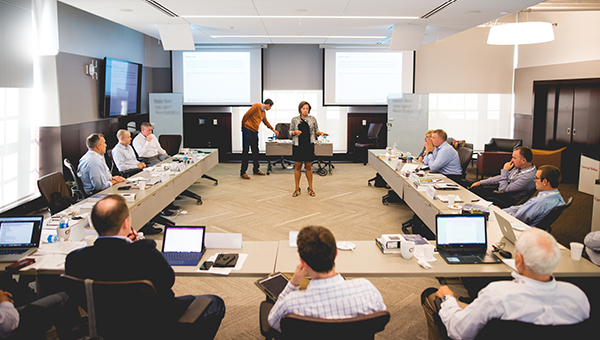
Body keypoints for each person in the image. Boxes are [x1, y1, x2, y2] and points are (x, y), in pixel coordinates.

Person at [65, 194, 225, 339]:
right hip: (156, 324)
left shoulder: (75, 260)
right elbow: (168, 280)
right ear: (126, 223)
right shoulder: (145, 253)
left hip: (107, 323)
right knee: (215, 302)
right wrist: (136, 244)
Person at [421, 228, 590, 340]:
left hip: (474, 322)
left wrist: (449, 300)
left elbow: (459, 330)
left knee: (431, 295)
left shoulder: (498, 295)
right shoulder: (578, 297)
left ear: (519, 260)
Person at [267, 226, 386, 332]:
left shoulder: (291, 304)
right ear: (336, 254)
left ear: (303, 263)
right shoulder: (367, 290)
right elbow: (380, 318)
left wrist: (293, 284)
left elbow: (273, 321)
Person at [469, 146, 536, 208]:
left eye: (514, 158)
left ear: (523, 160)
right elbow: (502, 178)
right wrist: (481, 182)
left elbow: (502, 190)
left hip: (509, 201)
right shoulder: (520, 167)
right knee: (474, 188)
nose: (511, 160)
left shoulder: (527, 177)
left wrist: (505, 170)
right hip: (503, 194)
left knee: (479, 195)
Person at [290, 101, 328, 197]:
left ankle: (310, 188)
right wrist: (295, 132)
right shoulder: (294, 119)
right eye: (303, 108)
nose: (305, 110)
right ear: (300, 109)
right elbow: (289, 132)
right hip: (298, 145)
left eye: (307, 109)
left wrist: (321, 133)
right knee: (298, 166)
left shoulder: (312, 119)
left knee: (308, 167)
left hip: (308, 145)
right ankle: (297, 188)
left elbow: (316, 131)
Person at [240, 99, 278, 179]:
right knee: (246, 151)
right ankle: (243, 172)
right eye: (270, 107)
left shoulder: (263, 112)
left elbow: (265, 122)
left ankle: (256, 170)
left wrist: (273, 129)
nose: (270, 109)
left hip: (254, 132)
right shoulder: (256, 106)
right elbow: (246, 116)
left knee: (255, 151)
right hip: (247, 129)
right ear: (268, 105)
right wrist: (242, 127)